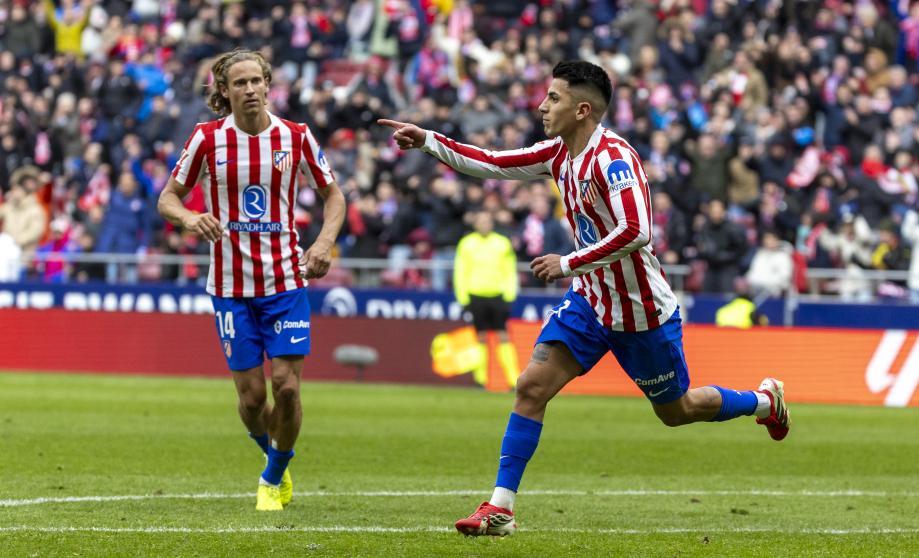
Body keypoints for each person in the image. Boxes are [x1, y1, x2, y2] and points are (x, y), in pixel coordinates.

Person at [379, 60, 791, 537]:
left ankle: (764, 402)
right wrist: (428, 140)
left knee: (676, 412)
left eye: (552, 98)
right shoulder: (558, 154)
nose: (542, 105)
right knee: (531, 386)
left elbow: (637, 231)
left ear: (582, 109)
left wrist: (569, 262)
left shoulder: (614, 160)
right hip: (591, 303)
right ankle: (501, 507)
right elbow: (493, 162)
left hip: (640, 313)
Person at [157, 49, 346, 511]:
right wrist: (189, 219)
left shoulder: (296, 136)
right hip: (229, 287)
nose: (249, 90)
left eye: (256, 81)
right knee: (251, 399)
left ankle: (272, 478)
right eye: (239, 83)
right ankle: (279, 457)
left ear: (268, 83)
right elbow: (168, 197)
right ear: (224, 91)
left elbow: (333, 195)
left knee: (286, 386)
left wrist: (321, 245)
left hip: (284, 280)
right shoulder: (206, 139)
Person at [454, 210, 519, 389]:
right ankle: (480, 380)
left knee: (503, 336)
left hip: (498, 295)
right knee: (480, 337)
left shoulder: (502, 243)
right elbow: (461, 271)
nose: (484, 225)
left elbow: (509, 269)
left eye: (487, 221)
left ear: (492, 223)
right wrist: (463, 297)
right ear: (475, 224)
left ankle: (513, 380)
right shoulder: (466, 244)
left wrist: (509, 294)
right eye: (480, 221)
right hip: (475, 295)